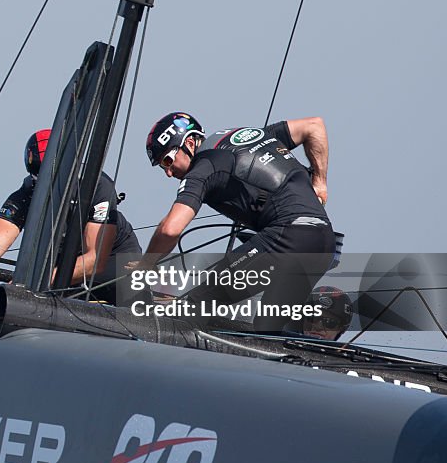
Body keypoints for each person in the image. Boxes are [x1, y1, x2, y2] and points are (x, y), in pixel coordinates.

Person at [140, 112, 336, 331]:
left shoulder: (204, 167)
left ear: (189, 143)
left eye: (168, 160)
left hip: (287, 239)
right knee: (267, 330)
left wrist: (146, 265)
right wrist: (320, 182)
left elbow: (170, 229)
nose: (168, 172)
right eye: (161, 167)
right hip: (324, 242)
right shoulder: (251, 136)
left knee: (195, 306)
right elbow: (314, 126)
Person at [0, 129, 142, 306]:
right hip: (63, 265)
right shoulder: (28, 192)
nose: (47, 186)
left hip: (114, 260)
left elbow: (94, 260)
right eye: (40, 178)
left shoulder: (98, 186)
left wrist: (36, 282)